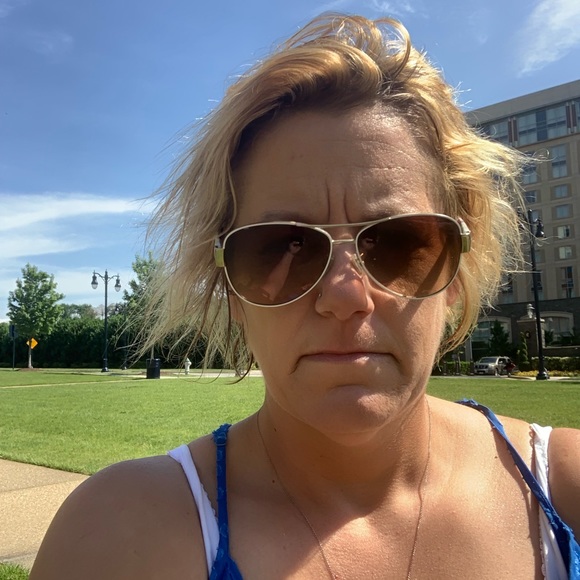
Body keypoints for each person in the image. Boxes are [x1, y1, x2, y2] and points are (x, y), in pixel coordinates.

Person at [31, 13, 579, 580]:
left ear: (456, 270)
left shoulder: (567, 487)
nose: (344, 296)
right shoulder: (119, 536)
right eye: (281, 248)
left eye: (398, 244)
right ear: (229, 288)